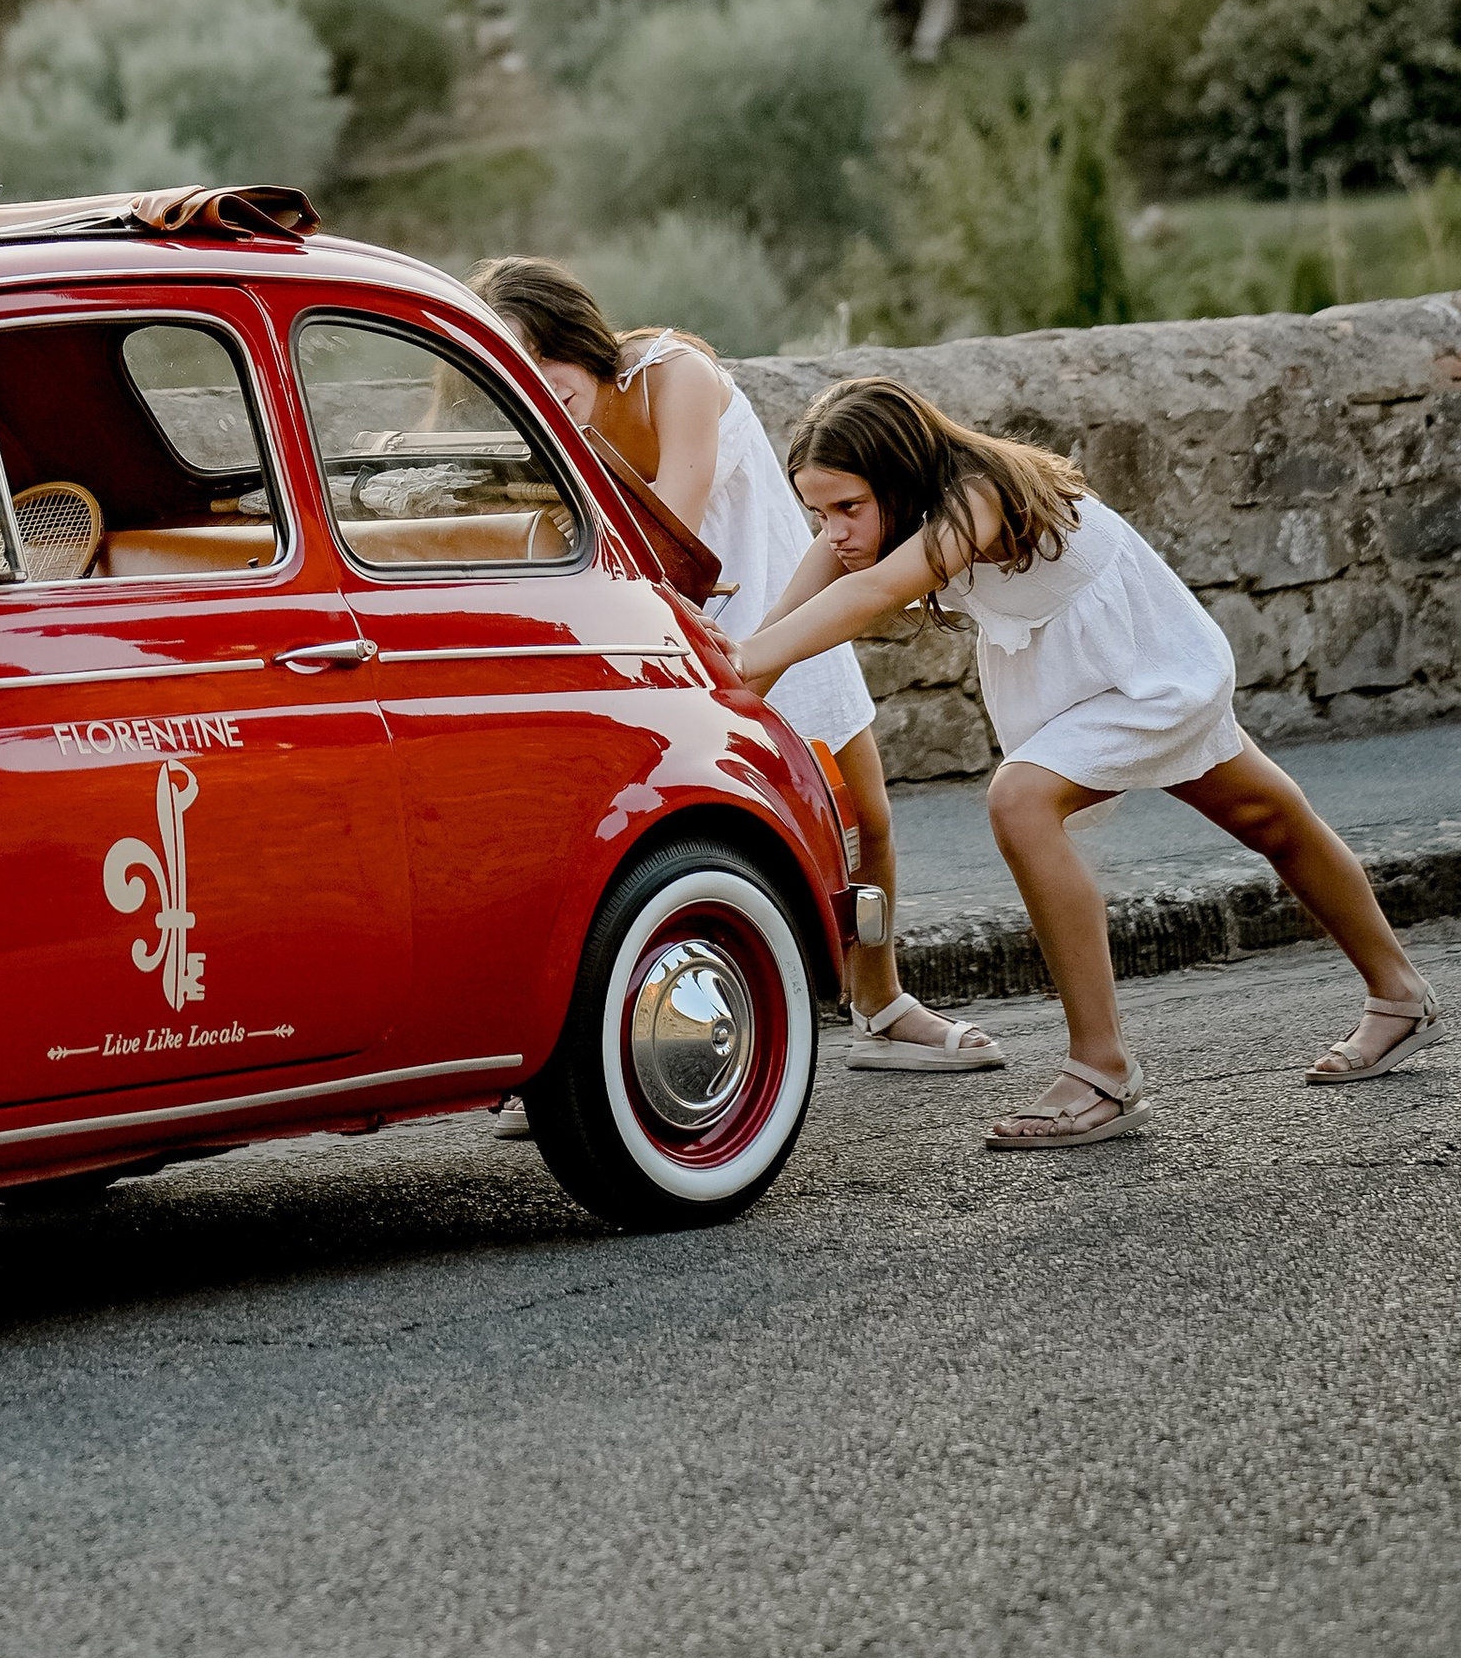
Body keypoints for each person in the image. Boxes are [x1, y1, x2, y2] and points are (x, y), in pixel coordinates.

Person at [737, 374, 1439, 1146]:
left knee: (1021, 801)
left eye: (847, 508)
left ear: (902, 477)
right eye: (817, 511)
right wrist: (731, 682)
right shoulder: (867, 526)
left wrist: (742, 665)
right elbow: (779, 627)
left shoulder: (978, 493)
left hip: (1145, 668)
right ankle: (1401, 998)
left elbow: (871, 593)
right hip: (1077, 680)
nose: (831, 531)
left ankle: (1101, 1072)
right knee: (1273, 819)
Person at [472, 260, 1002, 1076]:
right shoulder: (546, 426)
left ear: (577, 337)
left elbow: (673, 528)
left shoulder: (673, 372)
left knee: (863, 818)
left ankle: (881, 1005)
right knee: (630, 842)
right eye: (513, 372)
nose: (540, 385)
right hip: (653, 627)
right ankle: (572, 1058)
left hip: (780, 602)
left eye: (545, 361)